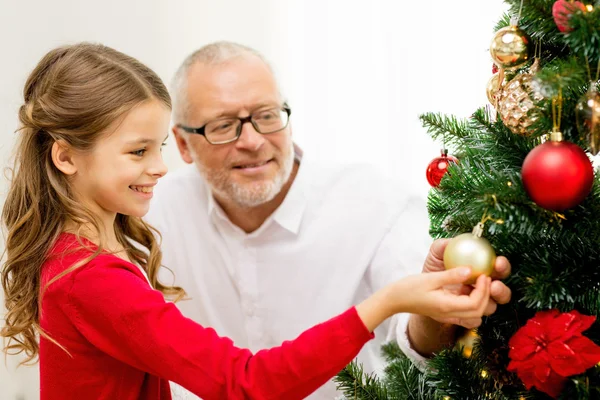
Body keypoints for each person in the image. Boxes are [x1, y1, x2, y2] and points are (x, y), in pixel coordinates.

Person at [0, 42, 496, 400]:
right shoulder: (96, 274)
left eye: (266, 115)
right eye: (138, 151)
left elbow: (423, 347)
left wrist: (420, 302)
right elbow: (247, 383)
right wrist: (382, 304)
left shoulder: (376, 200)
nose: (158, 167)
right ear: (188, 142)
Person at [145, 41, 513, 399]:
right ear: (181, 145)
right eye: (224, 126)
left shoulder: (378, 202)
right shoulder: (151, 214)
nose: (254, 141)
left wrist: (439, 307)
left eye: (267, 116)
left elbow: (415, 344)